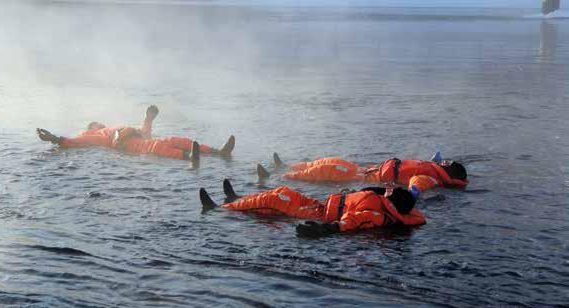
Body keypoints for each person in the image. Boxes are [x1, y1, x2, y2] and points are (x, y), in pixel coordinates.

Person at [199, 179, 425, 238]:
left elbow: (352, 221)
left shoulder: (377, 215)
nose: (386, 191)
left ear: (392, 201)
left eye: (389, 192)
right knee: (284, 191)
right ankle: (237, 200)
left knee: (275, 201)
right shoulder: (383, 203)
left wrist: (324, 230)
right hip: (320, 206)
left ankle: (221, 209)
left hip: (319, 215)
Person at [36, 105, 235, 167]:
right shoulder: (92, 135)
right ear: (92, 126)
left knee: (176, 140)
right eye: (96, 122)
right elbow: (73, 142)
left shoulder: (115, 128)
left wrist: (148, 118)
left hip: (141, 140)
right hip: (132, 148)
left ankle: (219, 152)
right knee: (157, 148)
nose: (100, 122)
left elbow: (145, 132)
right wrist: (54, 138)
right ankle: (189, 158)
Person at [257, 152, 467, 198]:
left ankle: (276, 178)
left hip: (363, 179)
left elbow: (416, 183)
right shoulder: (434, 168)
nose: (445, 161)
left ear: (449, 170)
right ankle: (286, 165)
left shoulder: (430, 177)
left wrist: (411, 194)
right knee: (331, 162)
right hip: (366, 170)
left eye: (448, 163)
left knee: (327, 170)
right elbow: (432, 162)